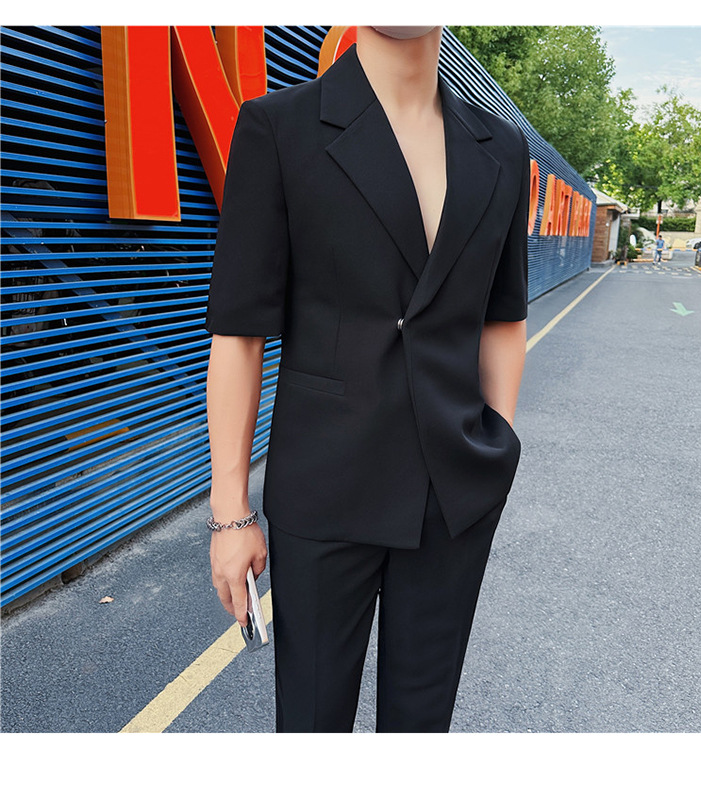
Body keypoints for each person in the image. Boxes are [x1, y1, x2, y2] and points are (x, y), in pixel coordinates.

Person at [204, 25, 529, 733]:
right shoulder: (279, 127)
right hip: (325, 487)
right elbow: (239, 332)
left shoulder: (501, 148)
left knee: (422, 725)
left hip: (454, 489)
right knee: (312, 726)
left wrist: (496, 444)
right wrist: (231, 514)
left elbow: (503, 317)